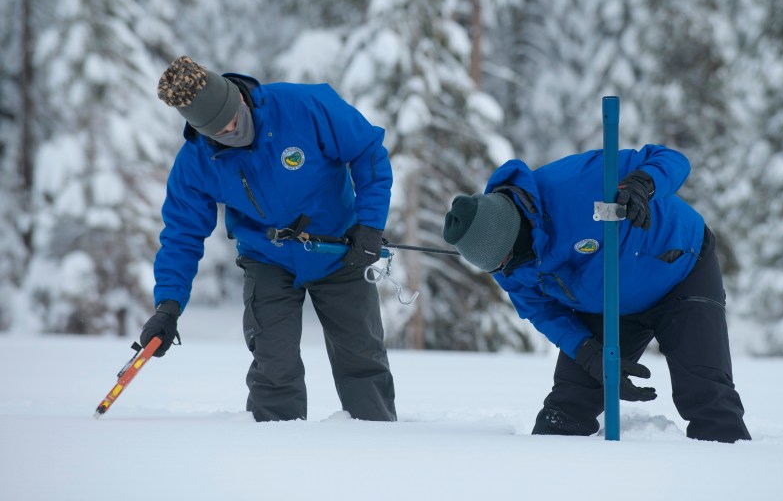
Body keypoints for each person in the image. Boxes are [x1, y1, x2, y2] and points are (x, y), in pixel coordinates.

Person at [140, 55, 396, 423]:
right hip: (268, 259)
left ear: (241, 98)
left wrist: (370, 226)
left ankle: (377, 444)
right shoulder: (196, 162)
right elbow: (181, 235)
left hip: (341, 249)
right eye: (221, 131)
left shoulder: (305, 107)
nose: (233, 131)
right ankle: (273, 456)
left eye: (235, 119)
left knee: (362, 356)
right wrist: (168, 305)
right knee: (274, 363)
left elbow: (368, 150)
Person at [442, 144, 751, 443]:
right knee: (565, 410)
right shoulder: (508, 267)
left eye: (504, 259)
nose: (502, 270)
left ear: (512, 233)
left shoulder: (576, 183)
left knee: (707, 398)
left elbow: (671, 158)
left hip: (680, 269)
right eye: (495, 267)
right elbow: (543, 312)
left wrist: (643, 184)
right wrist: (590, 354)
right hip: (606, 304)